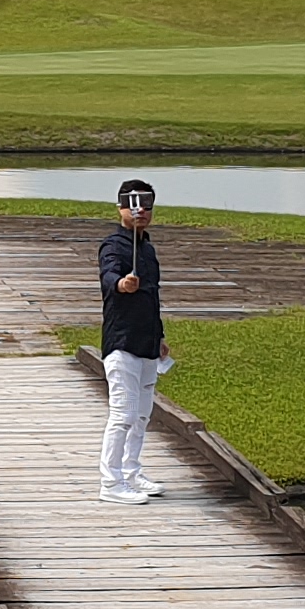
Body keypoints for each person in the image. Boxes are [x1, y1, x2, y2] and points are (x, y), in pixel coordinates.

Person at [97, 177, 169, 504]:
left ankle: (131, 471)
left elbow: (153, 297)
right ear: (121, 209)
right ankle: (110, 483)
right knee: (123, 414)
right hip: (122, 342)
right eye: (133, 205)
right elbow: (109, 274)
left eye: (146, 205)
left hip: (147, 342)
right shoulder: (113, 245)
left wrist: (160, 336)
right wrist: (122, 284)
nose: (140, 212)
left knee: (142, 415)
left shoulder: (148, 249)